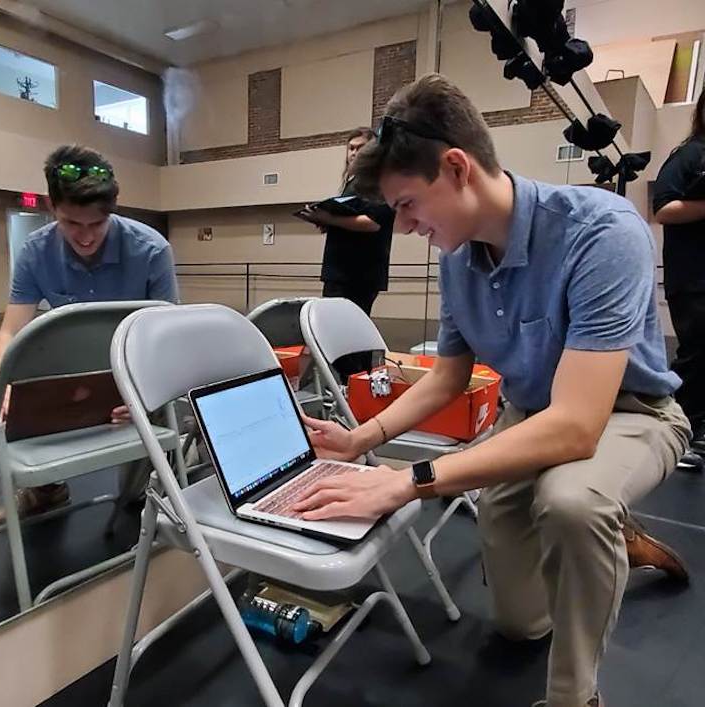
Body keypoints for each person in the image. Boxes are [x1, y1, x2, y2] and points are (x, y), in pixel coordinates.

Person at [291, 75, 690, 707]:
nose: (407, 225)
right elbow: (449, 376)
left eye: (409, 206)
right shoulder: (457, 258)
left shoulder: (601, 232)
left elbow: (578, 426)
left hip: (629, 414)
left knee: (572, 502)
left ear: (457, 168)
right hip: (530, 416)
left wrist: (408, 479)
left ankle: (575, 696)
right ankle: (616, 539)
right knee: (519, 622)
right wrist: (362, 437)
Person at [0, 144, 179, 525]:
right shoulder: (35, 251)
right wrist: (7, 385)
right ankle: (48, 489)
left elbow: (167, 341)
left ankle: (149, 485)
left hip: (134, 367)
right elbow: (10, 332)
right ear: (52, 208)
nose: (85, 237)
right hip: (72, 363)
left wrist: (139, 393)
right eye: (72, 224)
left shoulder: (151, 249)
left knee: (136, 502)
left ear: (110, 214)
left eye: (96, 225)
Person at [653, 88, 705, 470]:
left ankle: (694, 428)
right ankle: (676, 432)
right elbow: (663, 208)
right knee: (697, 353)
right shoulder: (689, 154)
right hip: (693, 276)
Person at [301, 127, 396, 317]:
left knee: (347, 333)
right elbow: (351, 219)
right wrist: (324, 221)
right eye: (351, 148)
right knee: (335, 331)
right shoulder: (355, 181)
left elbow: (372, 222)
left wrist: (329, 218)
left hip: (358, 274)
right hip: (342, 271)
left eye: (360, 148)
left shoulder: (377, 180)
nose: (353, 153)